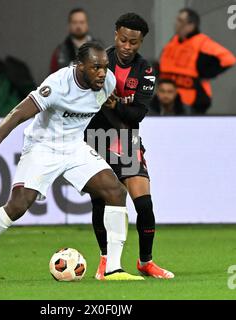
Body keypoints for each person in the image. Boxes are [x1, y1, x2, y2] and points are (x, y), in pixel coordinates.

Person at [0, 42, 145, 284]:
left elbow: (106, 114)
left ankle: (113, 268)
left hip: (74, 146)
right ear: (80, 66)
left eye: (105, 67)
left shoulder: (107, 83)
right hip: (43, 146)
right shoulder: (57, 85)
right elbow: (18, 114)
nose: (102, 73)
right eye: (96, 67)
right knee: (19, 205)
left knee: (115, 191)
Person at [85, 13, 174, 280]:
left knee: (144, 204)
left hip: (126, 140)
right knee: (101, 203)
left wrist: (116, 104)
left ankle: (145, 261)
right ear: (116, 35)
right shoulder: (100, 61)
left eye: (133, 42)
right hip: (96, 138)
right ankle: (105, 260)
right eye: (123, 40)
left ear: (141, 42)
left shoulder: (145, 70)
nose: (127, 47)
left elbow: (138, 114)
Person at [159, 8, 236, 114]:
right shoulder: (174, 40)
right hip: (169, 101)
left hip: (192, 102)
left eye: (180, 21)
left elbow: (228, 59)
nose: (176, 23)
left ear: (191, 25)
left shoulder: (201, 42)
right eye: (177, 20)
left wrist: (205, 73)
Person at [50, 8, 97, 73]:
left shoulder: (98, 48)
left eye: (82, 22)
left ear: (87, 24)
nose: (78, 26)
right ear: (69, 25)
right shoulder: (60, 52)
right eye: (75, 22)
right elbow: (53, 77)